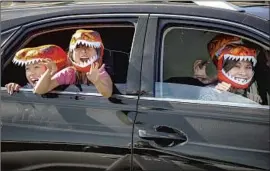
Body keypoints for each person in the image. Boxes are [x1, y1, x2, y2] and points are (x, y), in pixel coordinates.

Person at [34, 29, 113, 98]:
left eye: (88, 47)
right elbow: (39, 90)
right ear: (71, 54)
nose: (83, 51)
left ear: (98, 53)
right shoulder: (69, 73)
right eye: (78, 48)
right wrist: (49, 72)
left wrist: (97, 81)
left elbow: (108, 93)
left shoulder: (99, 71)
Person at [198, 34, 262, 104]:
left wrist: (253, 103)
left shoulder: (251, 96)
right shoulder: (209, 92)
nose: (243, 73)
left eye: (248, 67)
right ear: (224, 67)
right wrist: (220, 97)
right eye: (237, 66)